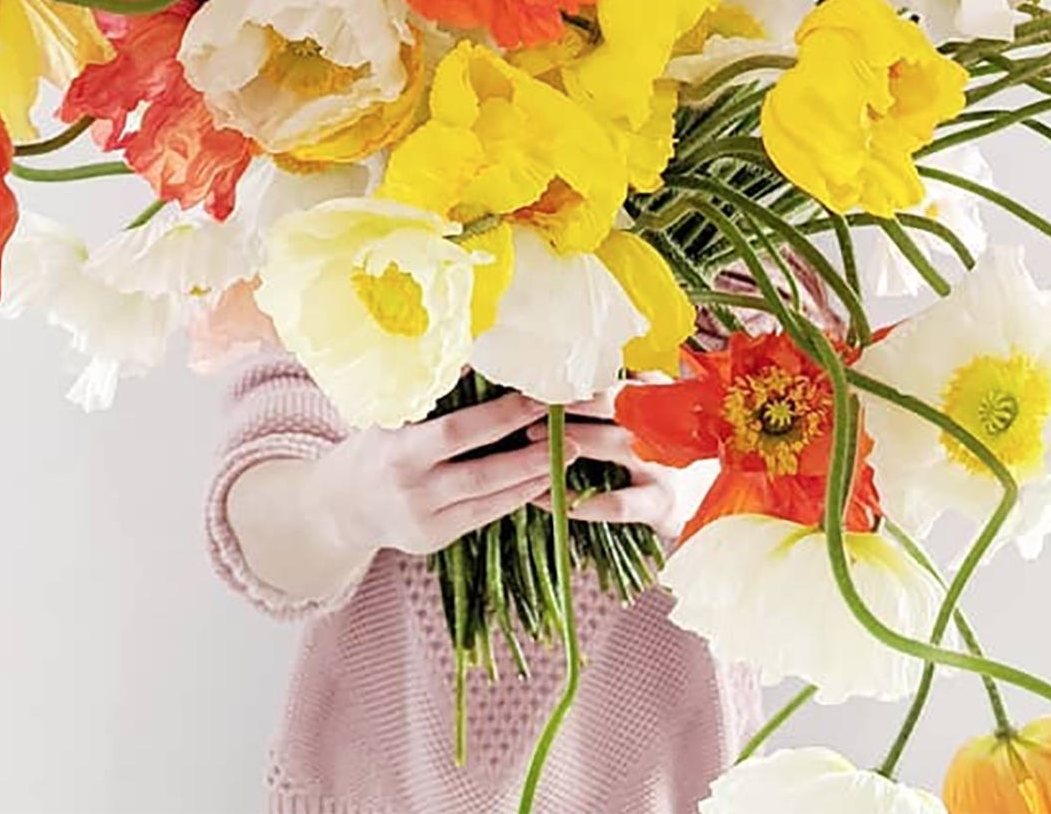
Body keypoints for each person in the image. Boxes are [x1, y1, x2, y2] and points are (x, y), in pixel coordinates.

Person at [207, 348, 765, 812]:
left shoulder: (762, 286)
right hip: (387, 782)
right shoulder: (346, 249)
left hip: (672, 784)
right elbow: (265, 513)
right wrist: (343, 503)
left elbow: (819, 562)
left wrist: (719, 493)